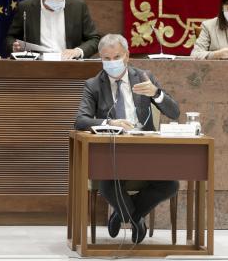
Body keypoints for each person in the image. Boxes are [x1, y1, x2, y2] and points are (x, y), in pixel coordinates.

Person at [74, 34, 180, 244]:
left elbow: (174, 112)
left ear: (127, 55)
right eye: (106, 58)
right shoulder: (94, 84)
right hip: (113, 151)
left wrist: (156, 94)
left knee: (170, 185)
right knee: (107, 185)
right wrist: (110, 124)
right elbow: (80, 121)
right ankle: (135, 220)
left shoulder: (144, 77)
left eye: (116, 57)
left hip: (146, 151)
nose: (112, 62)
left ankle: (122, 214)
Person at [6, 0, 100, 59]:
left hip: (70, 64)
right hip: (36, 65)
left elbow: (94, 39)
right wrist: (14, 46)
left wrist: (77, 51)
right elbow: (10, 37)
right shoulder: (26, 7)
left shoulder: (78, 7)